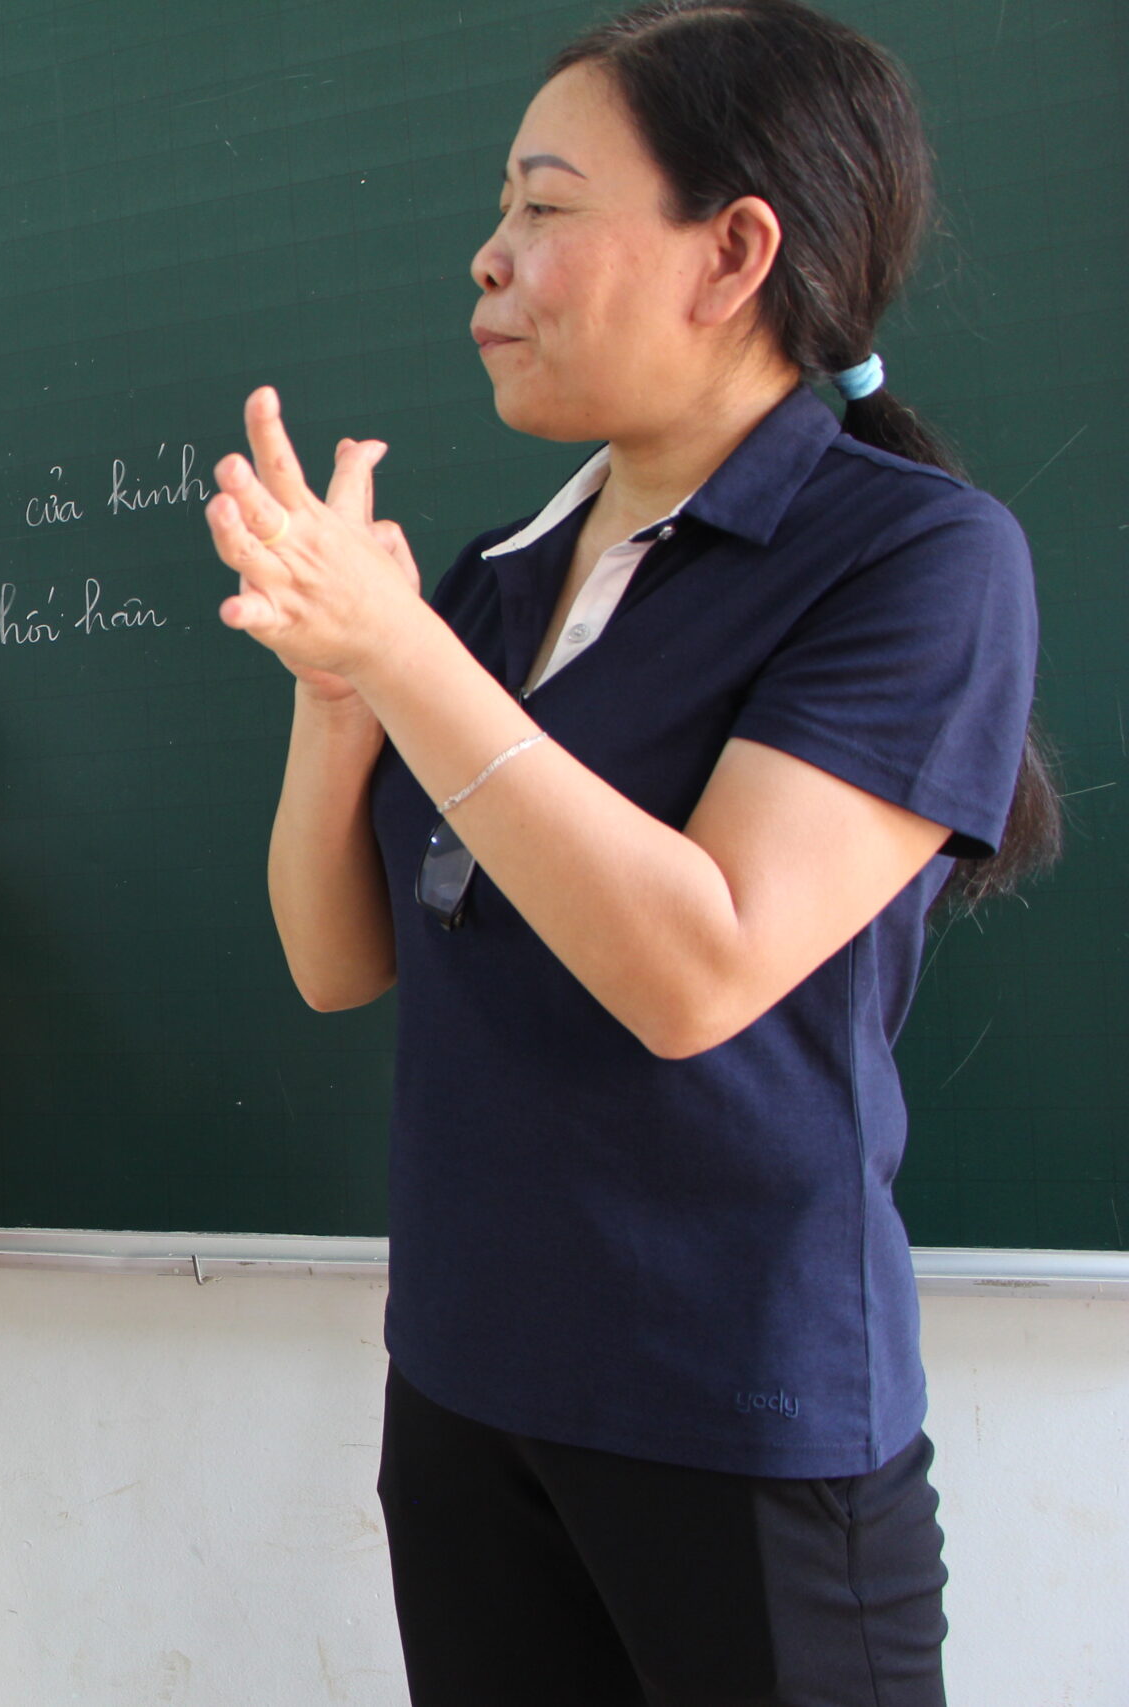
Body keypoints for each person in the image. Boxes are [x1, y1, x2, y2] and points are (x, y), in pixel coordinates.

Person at [205, 3, 1057, 1702]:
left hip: (737, 1408)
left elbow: (698, 966)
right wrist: (337, 692)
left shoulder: (916, 559)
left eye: (543, 205)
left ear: (734, 251)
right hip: (464, 1378)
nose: (489, 256)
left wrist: (406, 660)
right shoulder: (493, 579)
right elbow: (336, 956)